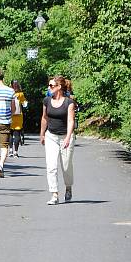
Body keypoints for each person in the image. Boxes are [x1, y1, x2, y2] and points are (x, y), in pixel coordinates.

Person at [40, 76, 76, 205]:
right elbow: (44, 118)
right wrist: (42, 134)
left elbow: (71, 121)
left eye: (51, 86)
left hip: (66, 136)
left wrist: (68, 137)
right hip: (51, 136)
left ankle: (68, 187)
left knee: (66, 166)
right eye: (49, 86)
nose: (49, 88)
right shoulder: (47, 101)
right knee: (51, 166)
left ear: (59, 87)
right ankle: (54, 194)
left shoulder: (69, 103)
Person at [9, 80, 28, 157]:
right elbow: (24, 104)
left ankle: (10, 150)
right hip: (18, 116)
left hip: (10, 115)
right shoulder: (20, 94)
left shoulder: (9, 93)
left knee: (10, 133)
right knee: (17, 134)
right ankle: (16, 152)